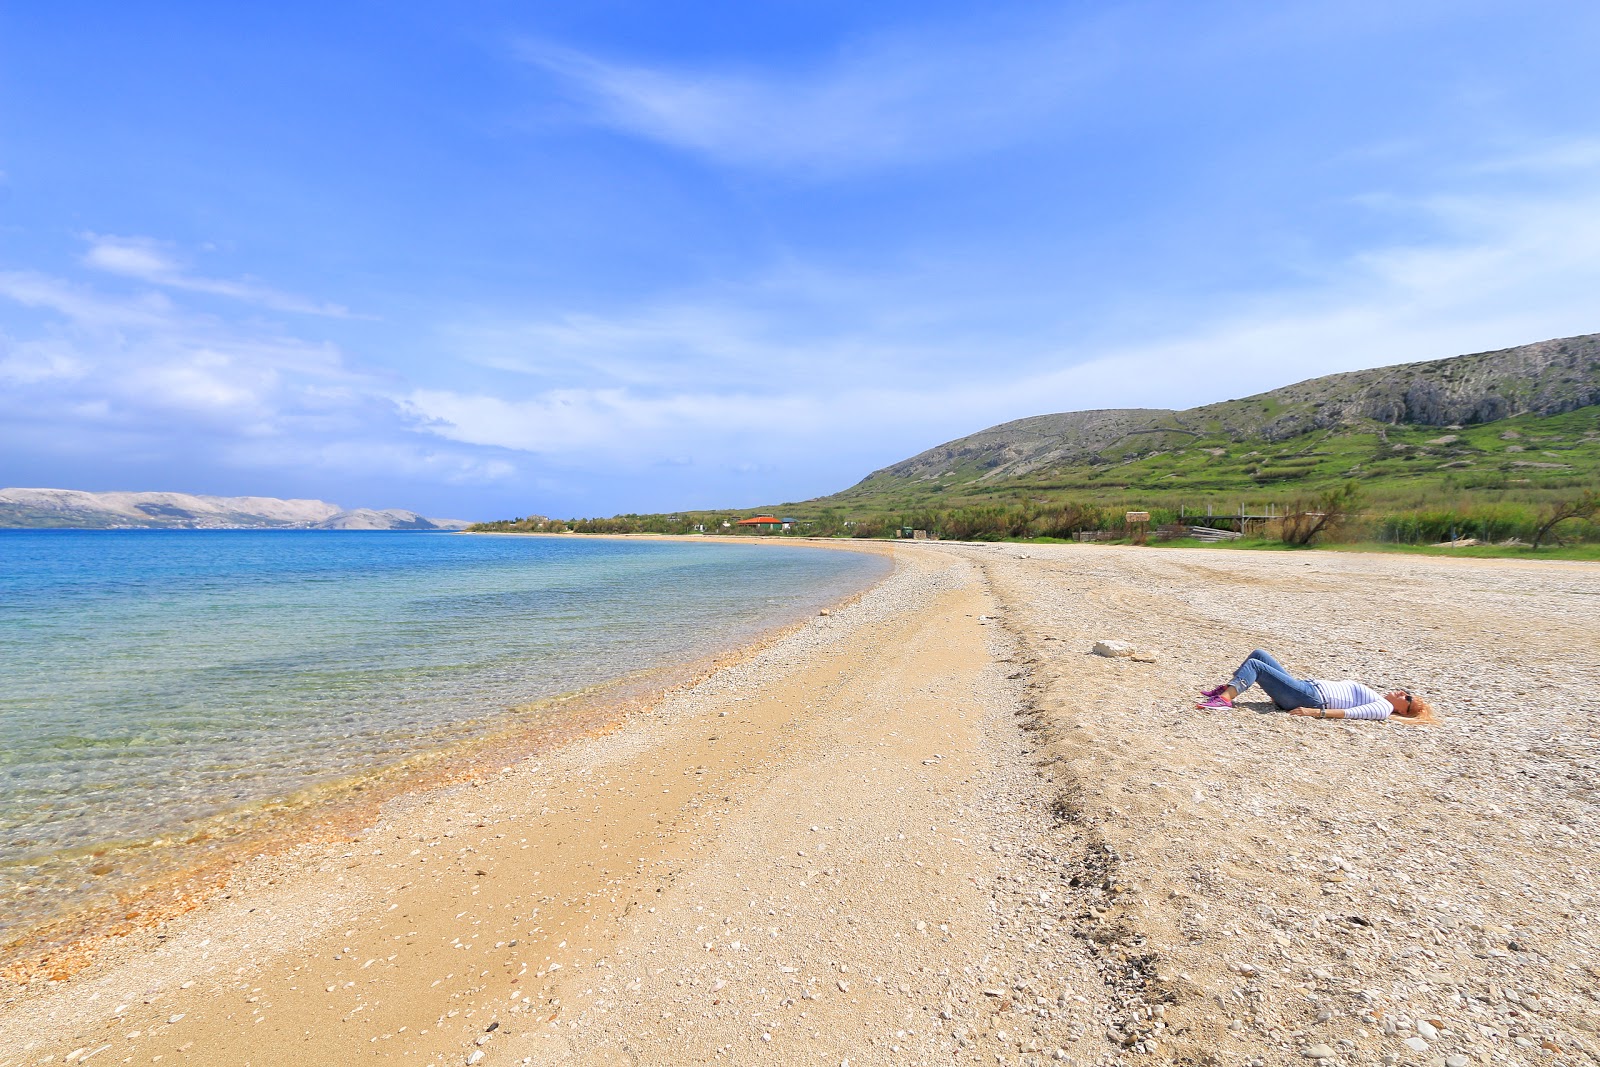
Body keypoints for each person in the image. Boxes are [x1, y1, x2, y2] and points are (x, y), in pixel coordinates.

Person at [1194, 649, 1435, 723]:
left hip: (1310, 698)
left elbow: (1350, 714)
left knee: (1257, 665)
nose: (1402, 693)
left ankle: (1225, 699)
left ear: (1403, 711)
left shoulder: (1382, 709)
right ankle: (1231, 686)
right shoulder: (1381, 700)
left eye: (1407, 698)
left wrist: (1313, 712)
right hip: (1304, 689)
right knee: (1260, 654)